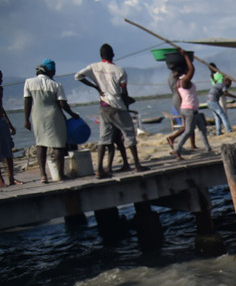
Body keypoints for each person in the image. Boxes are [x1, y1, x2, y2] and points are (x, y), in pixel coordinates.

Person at [75, 43, 147, 177]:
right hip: (117, 105)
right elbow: (124, 93)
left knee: (104, 138)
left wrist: (96, 87)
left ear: (101, 55)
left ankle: (100, 170)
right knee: (129, 133)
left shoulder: (93, 67)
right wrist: (128, 104)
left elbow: (78, 76)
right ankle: (137, 165)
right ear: (113, 55)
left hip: (103, 106)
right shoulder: (119, 70)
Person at [23, 59, 79, 183]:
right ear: (51, 71)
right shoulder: (56, 85)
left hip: (37, 116)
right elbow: (63, 104)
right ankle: (60, 175)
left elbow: (27, 102)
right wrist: (72, 114)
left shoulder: (29, 82)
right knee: (58, 145)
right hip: (54, 116)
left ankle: (43, 175)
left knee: (40, 144)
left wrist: (26, 120)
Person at [172, 51, 211, 157]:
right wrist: (185, 56)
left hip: (191, 109)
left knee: (202, 129)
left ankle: (208, 148)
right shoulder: (184, 82)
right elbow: (192, 69)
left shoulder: (178, 83)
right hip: (189, 110)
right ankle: (177, 149)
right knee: (189, 131)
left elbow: (181, 98)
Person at [0, 69, 21, 187]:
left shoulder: (0, 89)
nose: (1, 80)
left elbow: (1, 107)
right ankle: (1, 181)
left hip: (1, 122)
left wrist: (9, 123)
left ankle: (11, 178)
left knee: (8, 150)